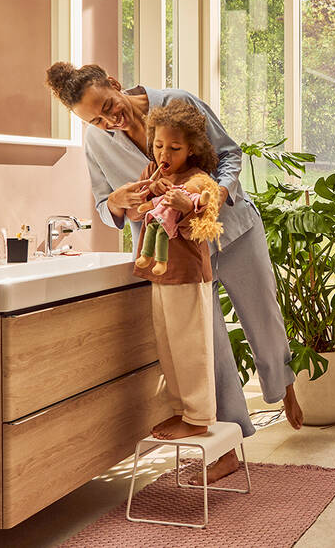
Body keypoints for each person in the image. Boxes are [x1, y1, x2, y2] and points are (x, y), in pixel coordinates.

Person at [46, 62, 303, 484]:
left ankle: (284, 384)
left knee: (263, 314)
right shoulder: (97, 141)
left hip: (231, 229)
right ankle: (228, 446)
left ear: (115, 84)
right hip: (178, 253)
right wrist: (119, 199)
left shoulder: (178, 102)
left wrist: (215, 195)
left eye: (110, 106)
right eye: (97, 119)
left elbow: (230, 154)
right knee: (209, 344)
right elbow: (103, 206)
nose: (111, 120)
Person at [126, 101, 221, 439]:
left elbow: (202, 212)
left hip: (187, 274)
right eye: (159, 144)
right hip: (160, 272)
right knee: (169, 347)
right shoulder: (152, 173)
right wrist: (146, 194)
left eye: (174, 148)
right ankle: (183, 411)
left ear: (192, 149)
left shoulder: (198, 180)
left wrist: (179, 203)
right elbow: (136, 214)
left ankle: (199, 417)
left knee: (191, 347)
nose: (164, 153)